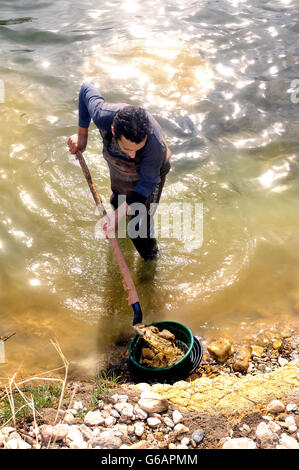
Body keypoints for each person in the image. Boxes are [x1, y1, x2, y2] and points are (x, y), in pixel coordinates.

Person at [67, 82, 171, 260]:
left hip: (151, 174)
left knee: (138, 229)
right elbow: (86, 89)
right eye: (128, 149)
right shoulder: (102, 115)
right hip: (119, 169)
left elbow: (147, 184)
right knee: (117, 203)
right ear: (114, 131)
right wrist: (82, 135)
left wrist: (120, 214)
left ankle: (151, 261)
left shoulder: (154, 147)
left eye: (138, 149)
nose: (132, 155)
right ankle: (121, 239)